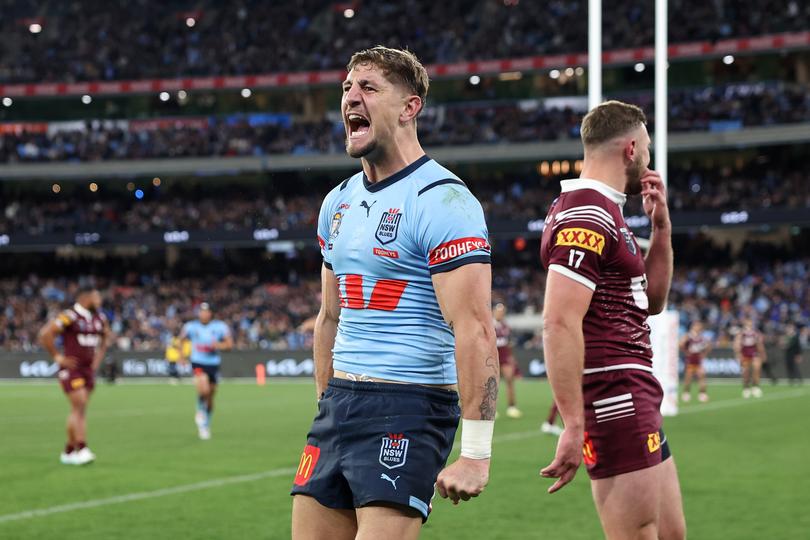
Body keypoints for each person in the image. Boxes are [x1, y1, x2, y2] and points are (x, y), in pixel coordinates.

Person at [291, 46, 498, 539]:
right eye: (346, 88)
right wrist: (326, 403)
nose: (350, 98)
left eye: (368, 87)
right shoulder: (337, 202)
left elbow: (473, 327)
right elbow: (330, 317)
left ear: (410, 107)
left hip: (410, 404)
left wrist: (476, 453)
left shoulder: (443, 200)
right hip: (340, 404)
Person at [538, 101, 686, 539]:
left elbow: (651, 302)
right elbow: (558, 322)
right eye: (647, 149)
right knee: (639, 533)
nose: (648, 159)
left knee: (669, 533)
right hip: (612, 394)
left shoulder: (608, 211)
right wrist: (573, 422)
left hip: (634, 388)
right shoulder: (588, 212)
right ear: (631, 148)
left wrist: (661, 229)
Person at [38, 285, 112, 465]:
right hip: (72, 368)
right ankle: (82, 448)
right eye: (96, 297)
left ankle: (68, 452)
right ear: (85, 298)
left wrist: (97, 360)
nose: (99, 301)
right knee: (79, 405)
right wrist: (58, 357)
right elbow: (45, 334)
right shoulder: (69, 316)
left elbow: (106, 338)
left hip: (87, 369)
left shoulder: (99, 318)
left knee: (79, 410)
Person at [179, 302, 233, 439]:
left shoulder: (220, 327)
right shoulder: (191, 327)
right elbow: (180, 340)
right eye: (201, 311)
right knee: (204, 388)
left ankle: (205, 424)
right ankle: (199, 411)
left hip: (213, 364)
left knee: (210, 396)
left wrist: (219, 345)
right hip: (198, 362)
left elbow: (229, 345)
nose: (204, 314)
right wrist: (182, 356)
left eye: (206, 311)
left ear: (210, 313)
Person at [494, 303, 522, 418]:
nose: (500, 314)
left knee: (510, 380)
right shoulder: (490, 325)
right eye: (498, 311)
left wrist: (511, 357)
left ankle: (512, 407)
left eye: (502, 312)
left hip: (505, 358)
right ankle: (491, 409)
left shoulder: (505, 326)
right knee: (492, 384)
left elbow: (509, 343)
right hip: (493, 358)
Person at [679, 321, 711, 402]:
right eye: (697, 326)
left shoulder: (702, 337)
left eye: (699, 326)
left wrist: (704, 354)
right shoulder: (688, 336)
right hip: (690, 360)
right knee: (688, 378)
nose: (698, 328)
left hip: (698, 360)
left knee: (702, 376)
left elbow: (709, 345)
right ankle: (686, 393)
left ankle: (702, 394)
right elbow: (680, 344)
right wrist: (686, 352)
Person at [734, 318, 766, 398]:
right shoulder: (741, 334)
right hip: (745, 354)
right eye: (748, 324)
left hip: (754, 354)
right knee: (746, 372)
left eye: (750, 324)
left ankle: (756, 387)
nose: (749, 325)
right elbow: (737, 345)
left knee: (756, 369)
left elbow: (759, 344)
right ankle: (746, 388)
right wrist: (738, 354)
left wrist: (763, 354)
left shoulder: (756, 333)